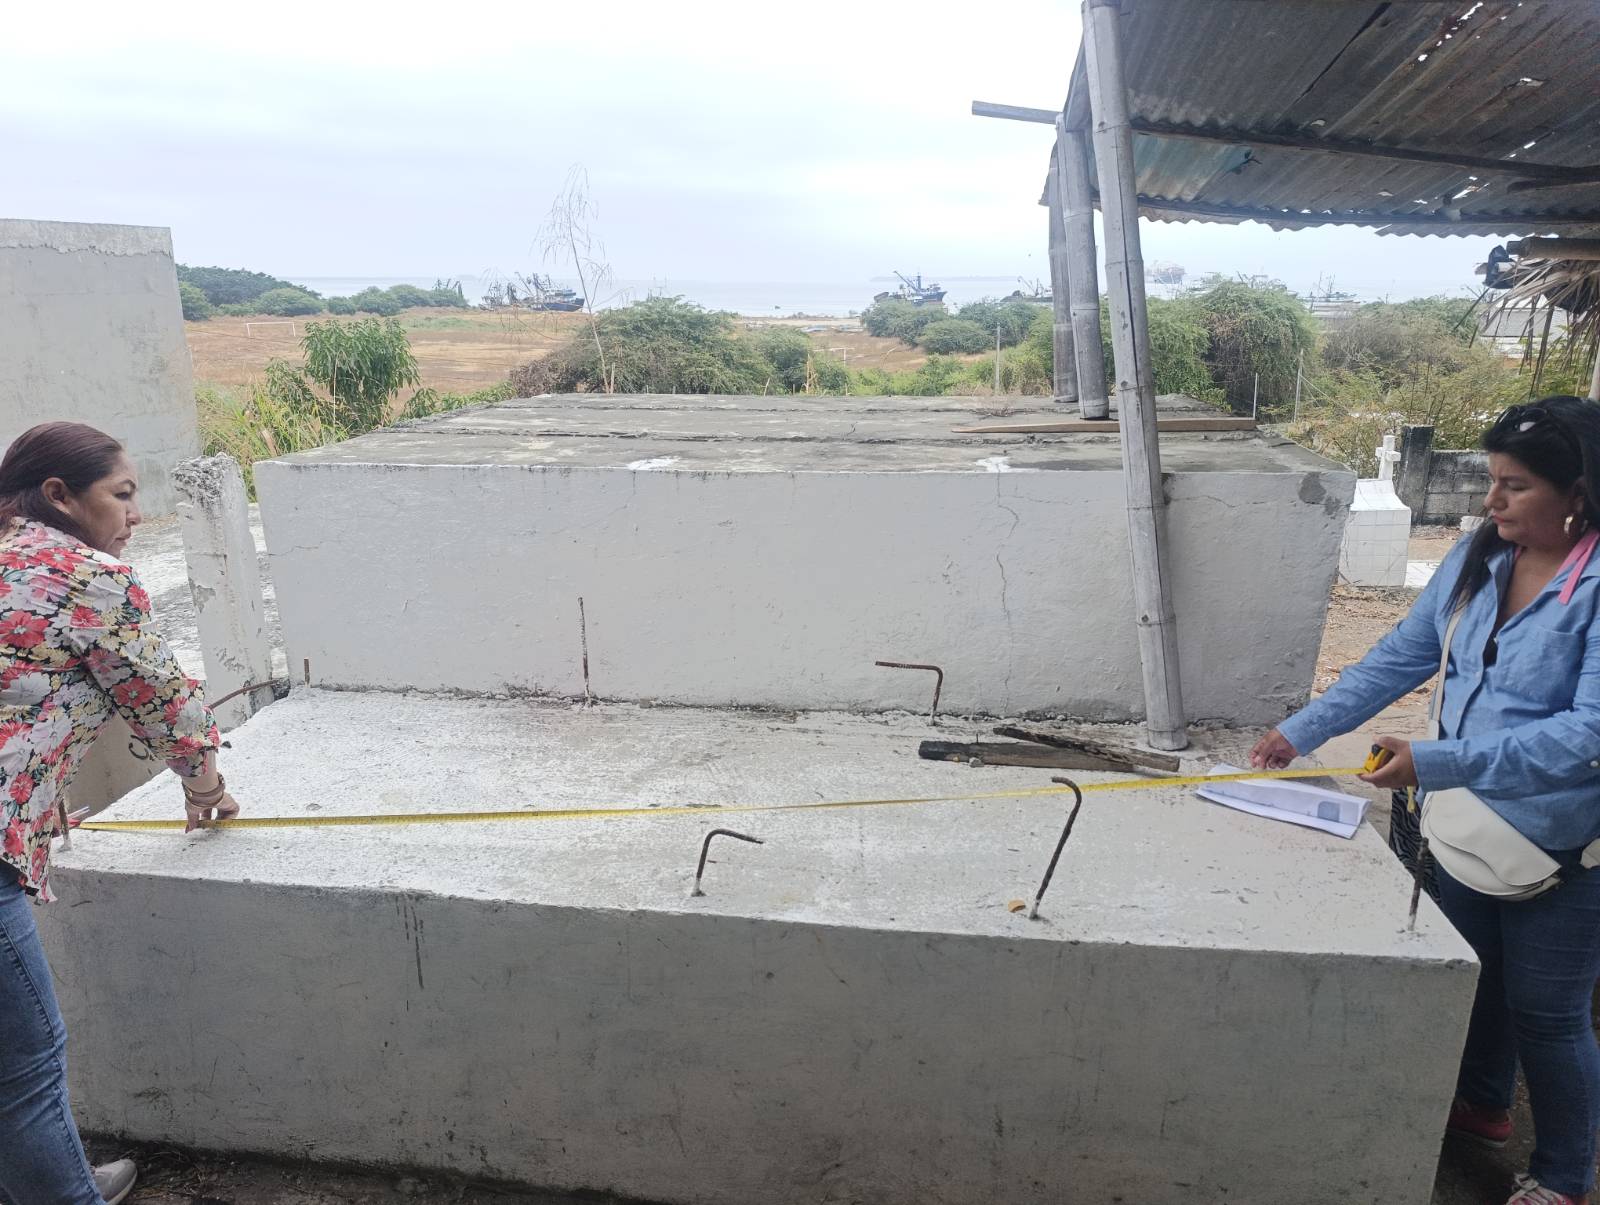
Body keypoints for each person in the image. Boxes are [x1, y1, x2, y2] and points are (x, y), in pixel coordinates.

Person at [1251, 396, 1600, 1205]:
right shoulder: (1481, 555)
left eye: (1515, 485)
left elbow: (1587, 734)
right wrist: (1300, 731)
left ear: (1578, 492)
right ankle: (1482, 1105)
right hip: (1466, 825)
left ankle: (1565, 1175)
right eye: (1492, 479)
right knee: (1480, 979)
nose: (1491, 499)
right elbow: (1403, 654)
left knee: (1548, 1013)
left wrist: (1435, 761)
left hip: (1564, 842)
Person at [0, 422, 241, 1205]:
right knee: (25, 1073)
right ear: (59, 495)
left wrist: (32, 805)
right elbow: (164, 701)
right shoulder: (87, 576)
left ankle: (51, 1179)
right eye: (123, 493)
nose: (137, 514)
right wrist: (205, 789)